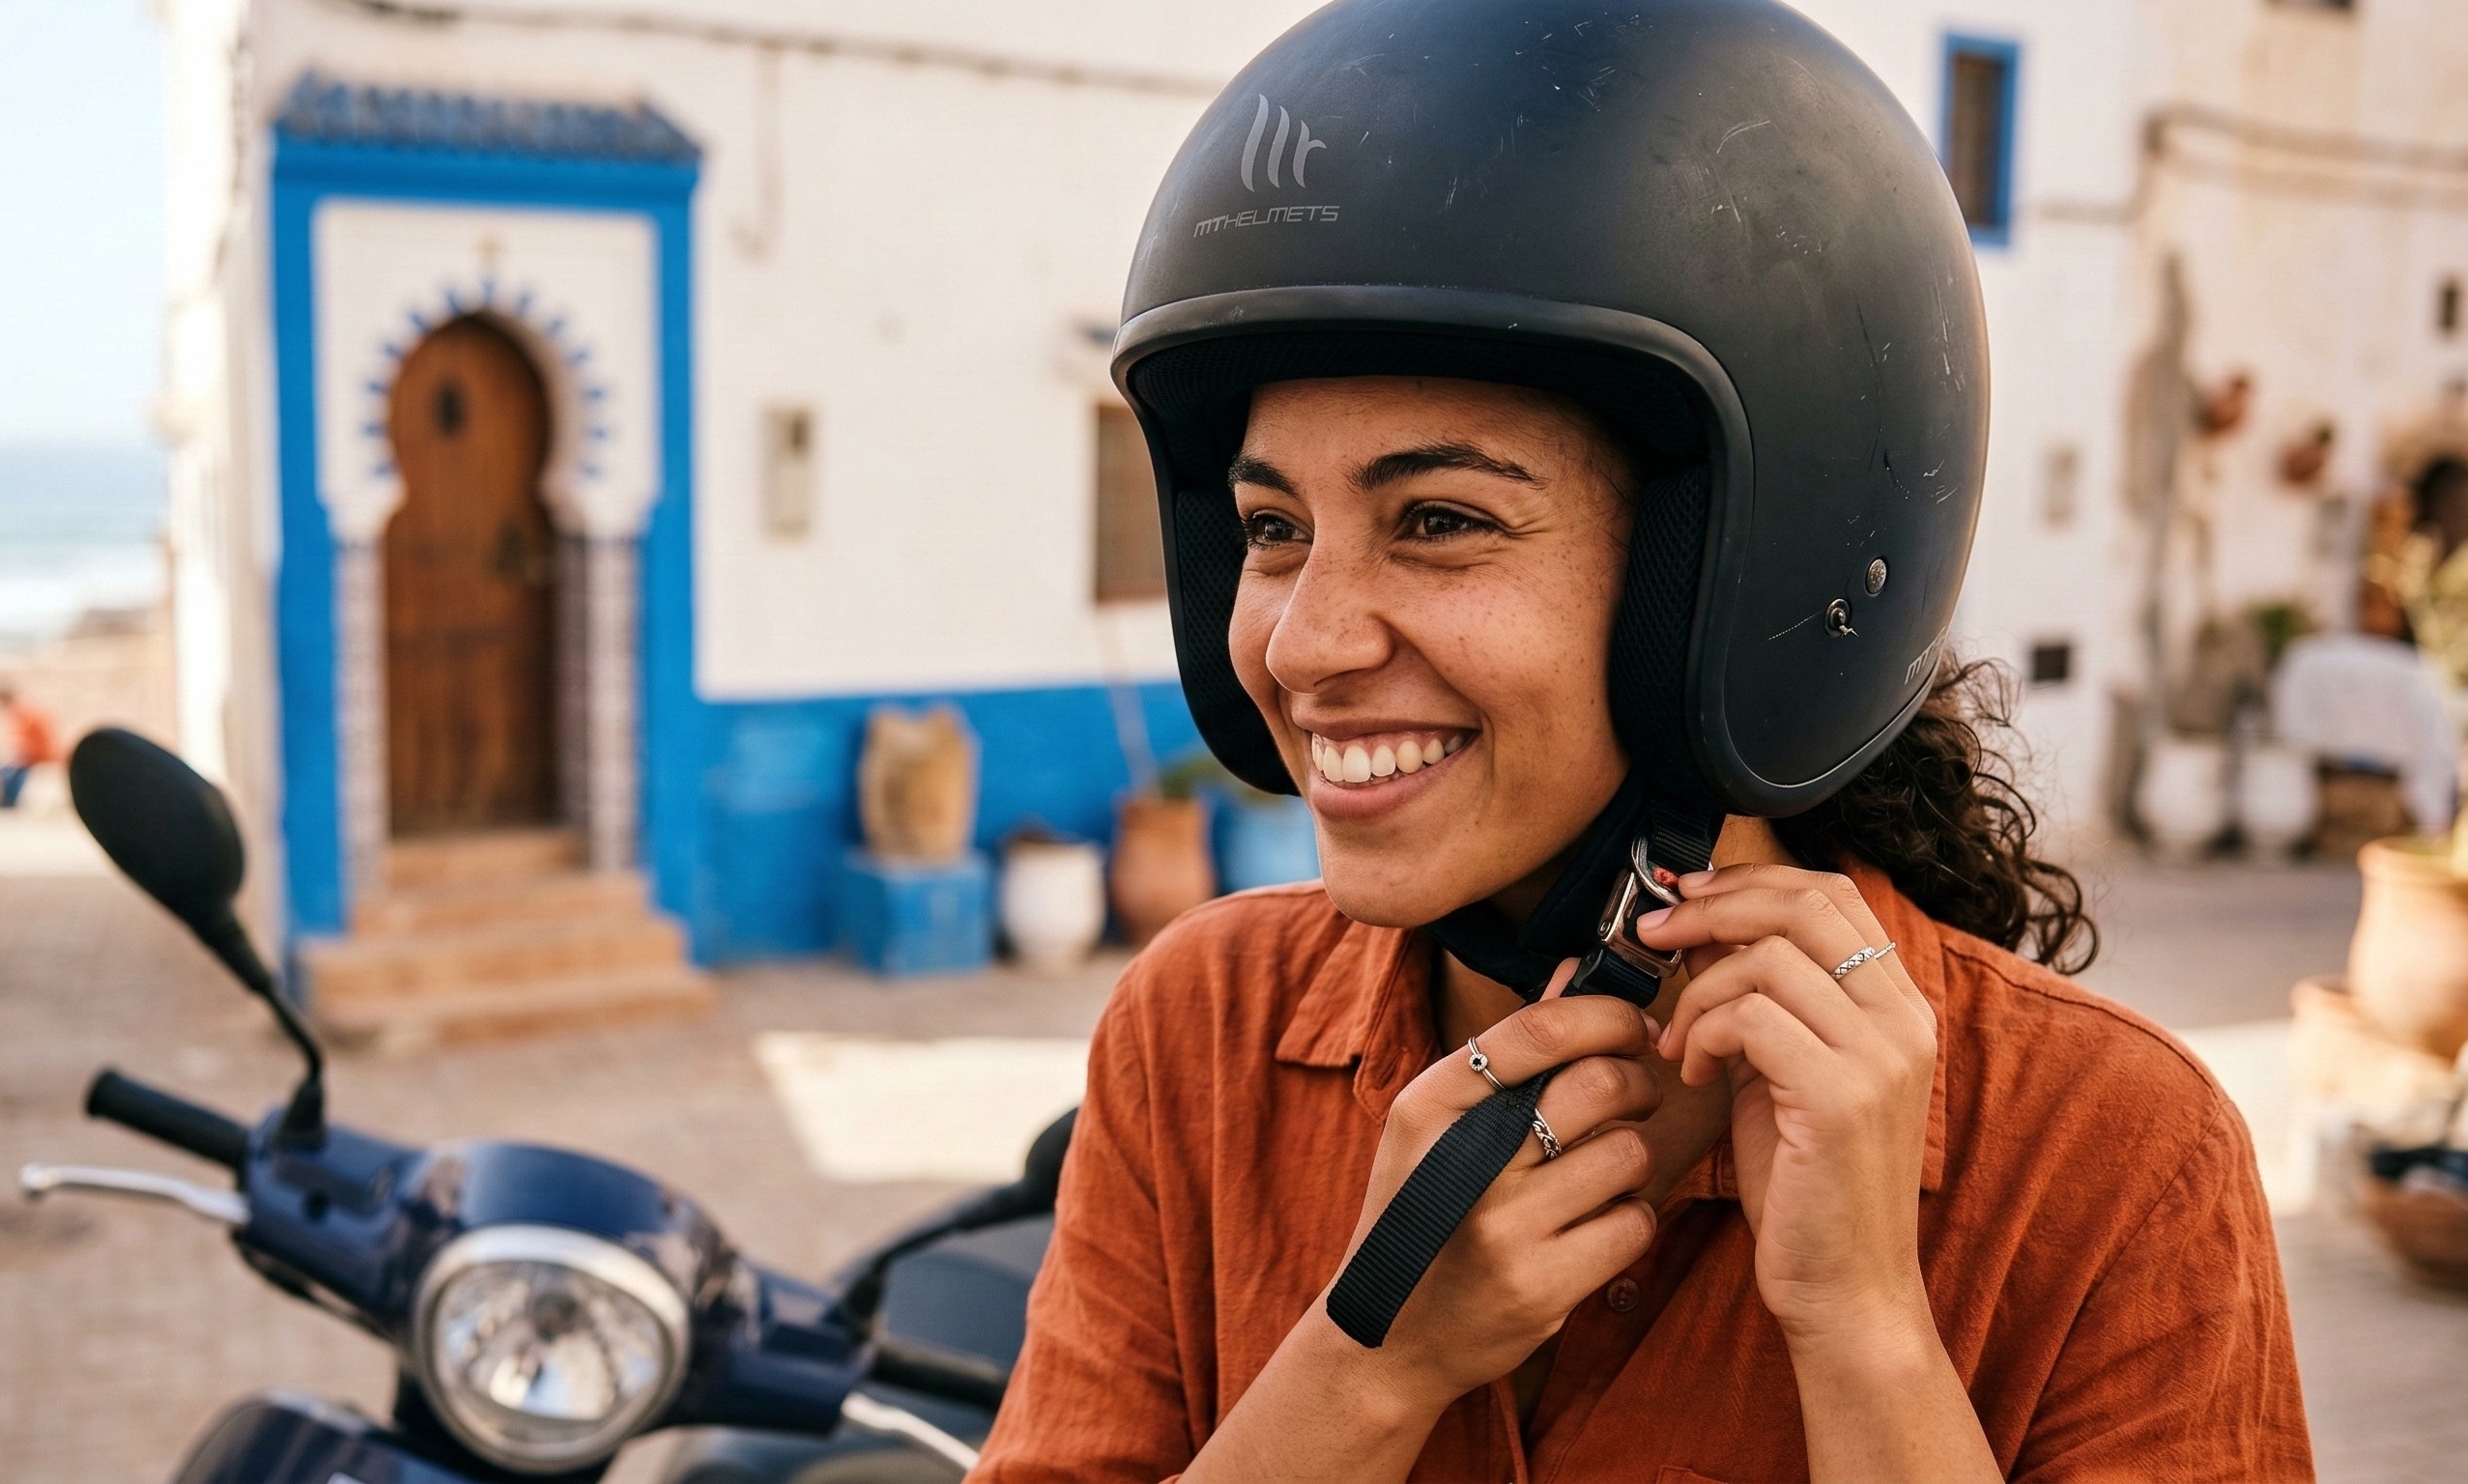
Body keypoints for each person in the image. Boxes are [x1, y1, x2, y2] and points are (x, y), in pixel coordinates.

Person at [974, 2, 2311, 1480]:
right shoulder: (1200, 1035)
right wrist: (1369, 1368)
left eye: (1440, 523)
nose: (1301, 642)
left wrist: (1864, 1326)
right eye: (1274, 529)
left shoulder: (2108, 1153)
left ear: (1737, 589)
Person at [0, 682, 58, 809]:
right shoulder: (23, 707)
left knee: (5, 768)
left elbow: (22, 744)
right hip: (35, 754)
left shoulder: (21, 710)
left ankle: (8, 802)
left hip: (38, 756)